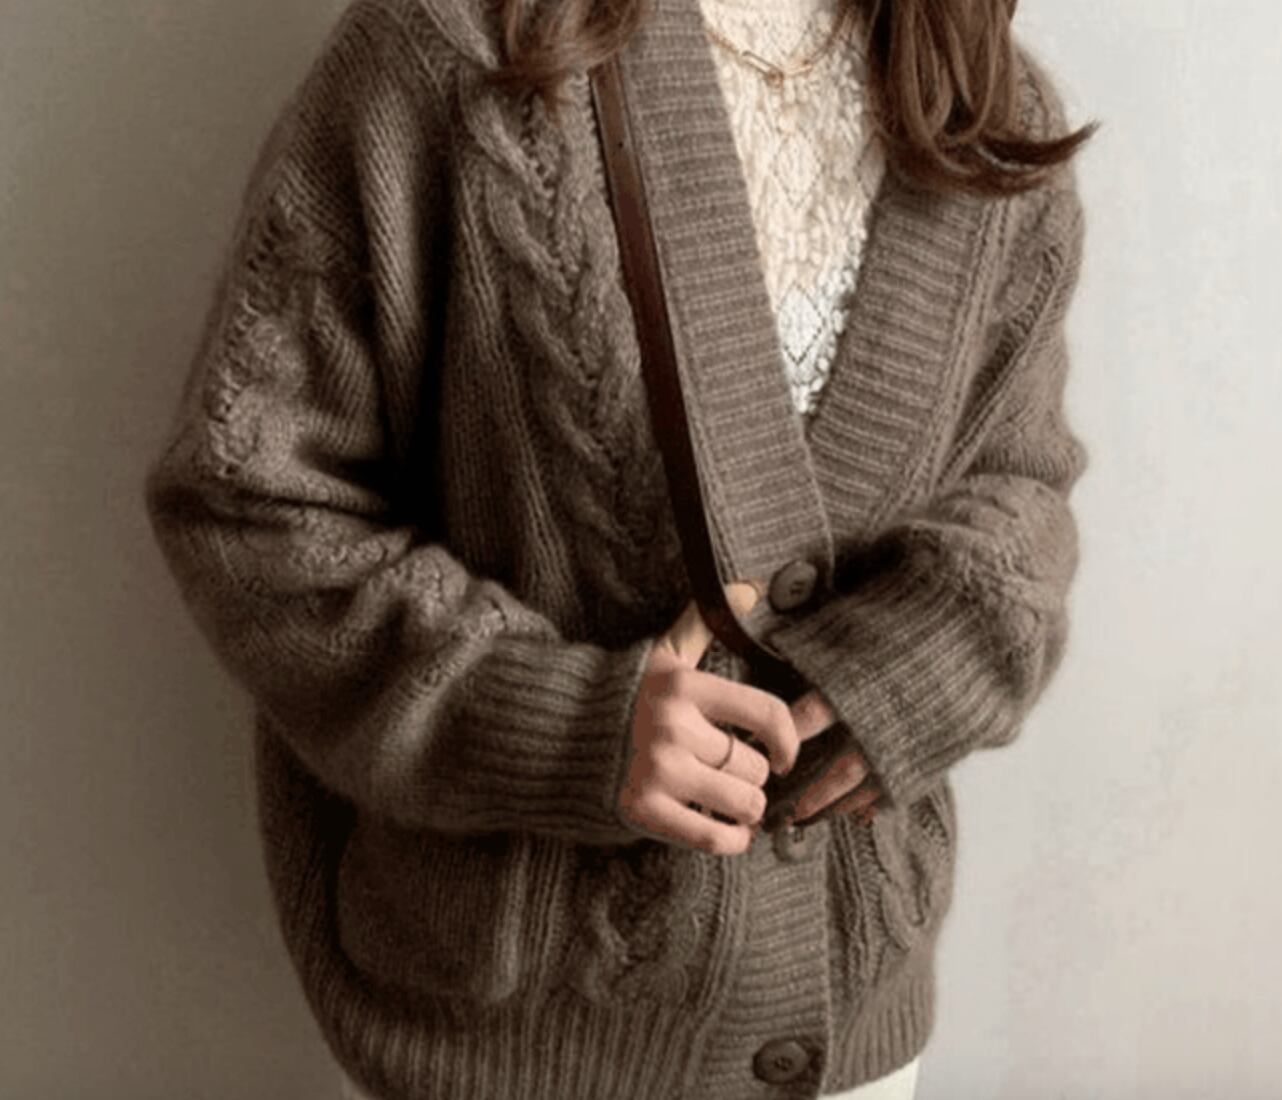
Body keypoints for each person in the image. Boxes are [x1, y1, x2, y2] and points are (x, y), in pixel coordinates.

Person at [142, 0, 1097, 1096]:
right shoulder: (456, 48)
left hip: (855, 1029)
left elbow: (1019, 485)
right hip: (523, 1034)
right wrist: (562, 726)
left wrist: (927, 666)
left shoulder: (984, 100)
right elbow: (249, 498)